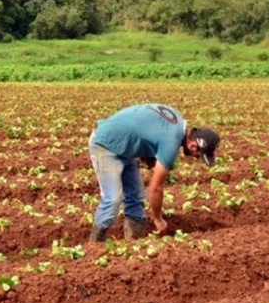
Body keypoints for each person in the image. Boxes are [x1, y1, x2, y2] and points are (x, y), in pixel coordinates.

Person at [87, 103, 220, 242]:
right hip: (105, 143)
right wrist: (158, 219)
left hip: (124, 146)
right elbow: (155, 188)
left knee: (136, 196)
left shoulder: (177, 119)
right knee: (112, 199)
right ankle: (95, 244)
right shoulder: (171, 142)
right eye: (198, 155)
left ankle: (133, 242)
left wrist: (148, 154)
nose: (197, 158)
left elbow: (148, 126)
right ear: (193, 146)